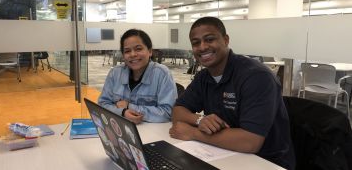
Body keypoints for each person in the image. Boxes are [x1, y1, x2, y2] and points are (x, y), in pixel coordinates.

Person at [169, 17, 295, 170]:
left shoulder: (256, 77)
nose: (202, 47)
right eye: (196, 43)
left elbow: (250, 142)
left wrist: (193, 133)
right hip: (222, 153)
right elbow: (177, 112)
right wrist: (199, 120)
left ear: (226, 40)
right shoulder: (204, 77)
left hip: (265, 162)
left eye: (209, 39)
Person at [98, 29, 177, 124]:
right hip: (122, 129)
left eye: (138, 49)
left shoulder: (162, 74)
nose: (133, 54)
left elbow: (168, 112)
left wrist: (129, 106)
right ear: (123, 55)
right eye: (127, 51)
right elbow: (102, 104)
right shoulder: (115, 73)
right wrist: (123, 112)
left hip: (152, 131)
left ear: (150, 51)